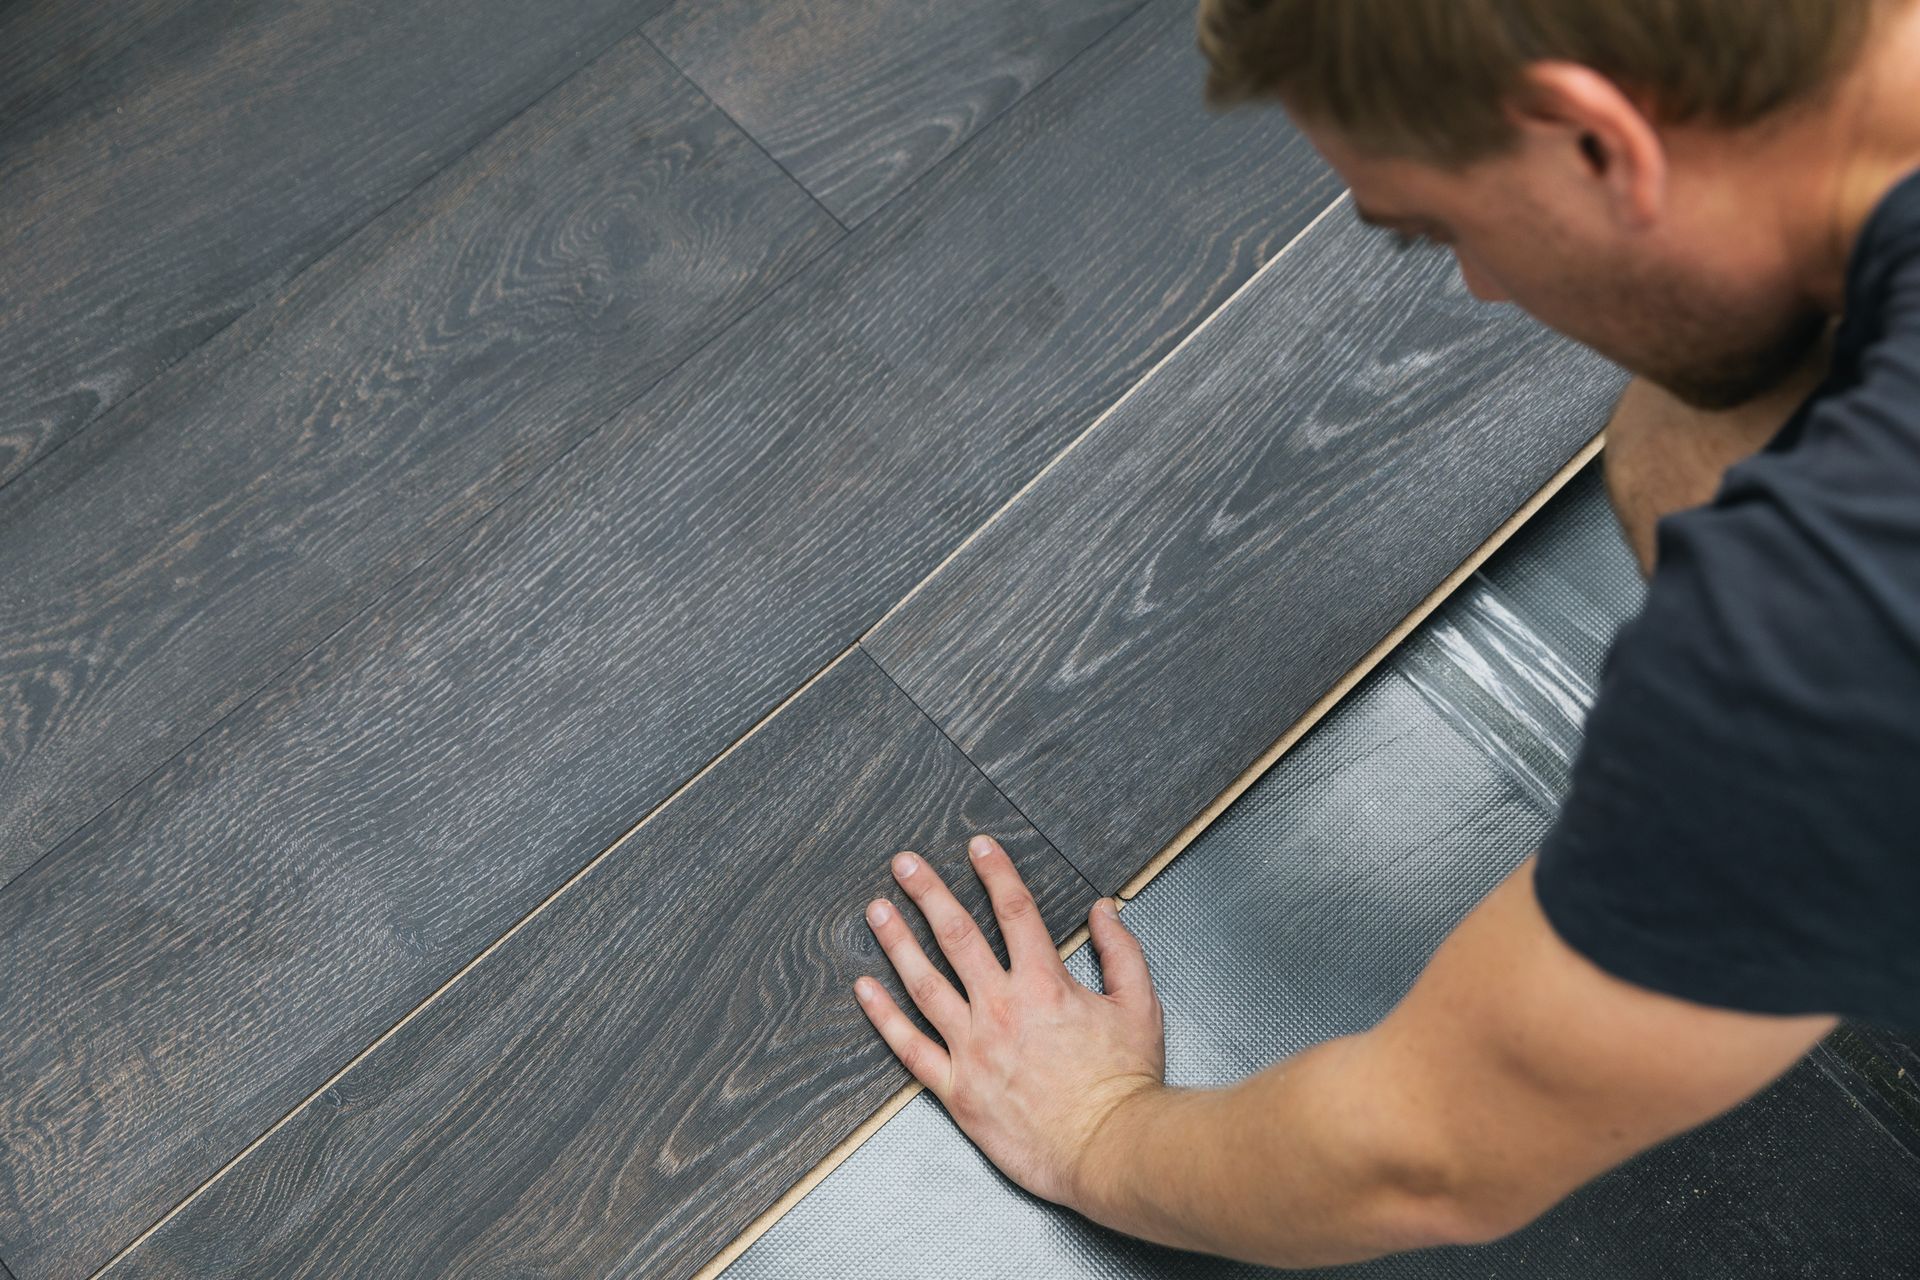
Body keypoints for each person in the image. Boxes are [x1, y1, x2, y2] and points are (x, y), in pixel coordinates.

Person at [848, 0, 1920, 1266]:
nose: (1480, 282)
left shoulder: (1829, 608)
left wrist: (1091, 1127)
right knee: (1694, 441)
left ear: (1594, 137)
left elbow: (1420, 1154)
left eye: (1442, 228)